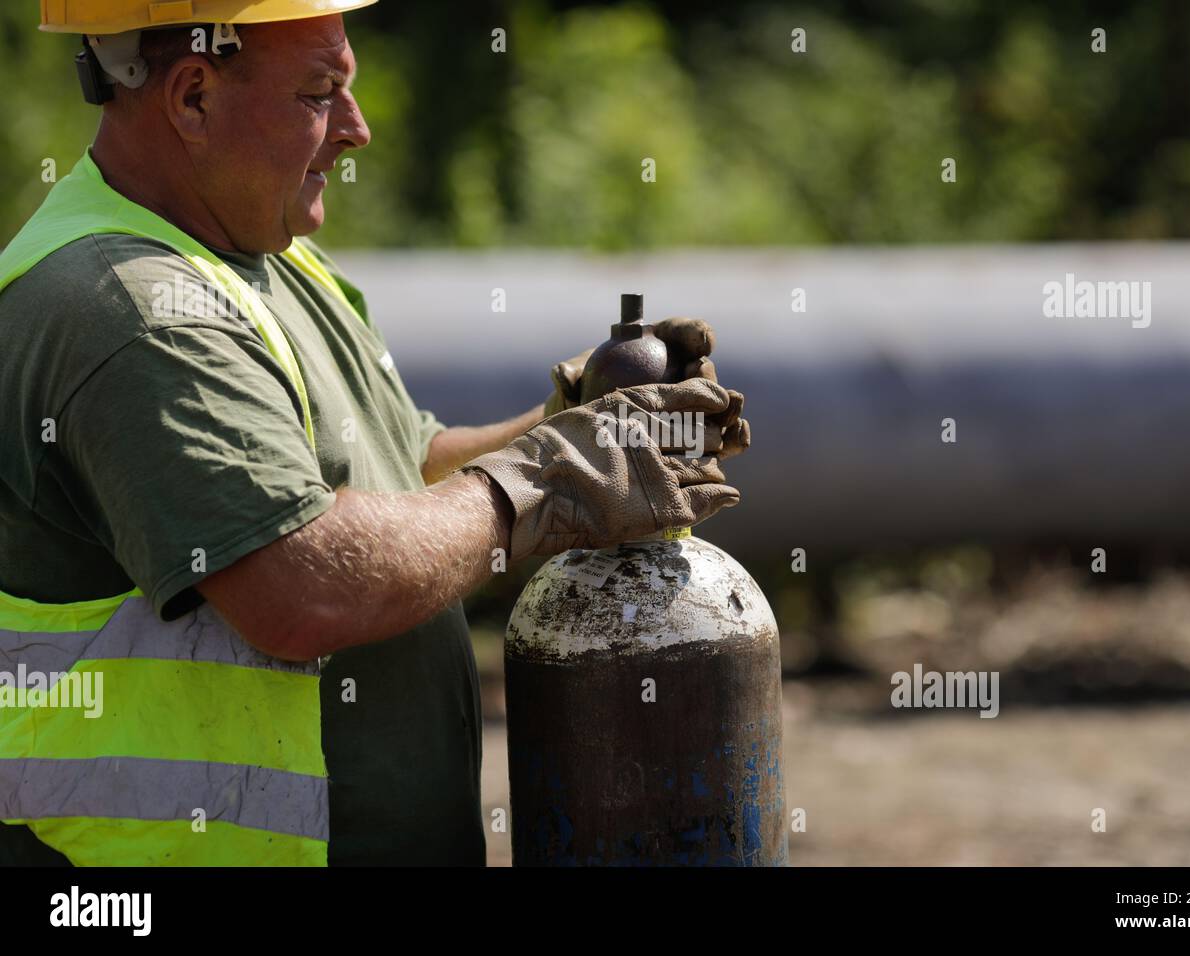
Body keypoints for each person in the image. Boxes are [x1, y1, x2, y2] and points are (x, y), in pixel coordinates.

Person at [0, 1, 748, 866]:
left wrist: (576, 426)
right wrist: (553, 479)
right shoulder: (134, 311)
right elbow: (302, 583)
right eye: (321, 93)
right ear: (193, 97)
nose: (355, 131)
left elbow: (404, 470)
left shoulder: (259, 255)